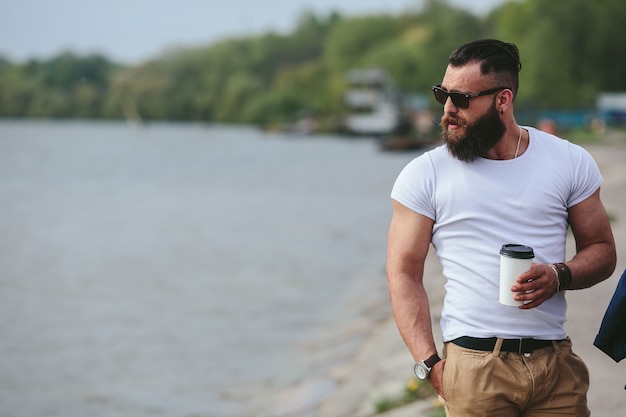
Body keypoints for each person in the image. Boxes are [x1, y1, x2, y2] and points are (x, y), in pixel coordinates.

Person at [386, 39, 616, 417]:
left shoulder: (569, 161)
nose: (447, 109)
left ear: (502, 99)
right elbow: (403, 272)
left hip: (555, 366)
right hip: (474, 368)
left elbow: (603, 250)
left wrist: (559, 275)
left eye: (460, 99)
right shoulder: (424, 175)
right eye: (442, 94)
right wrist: (428, 363)